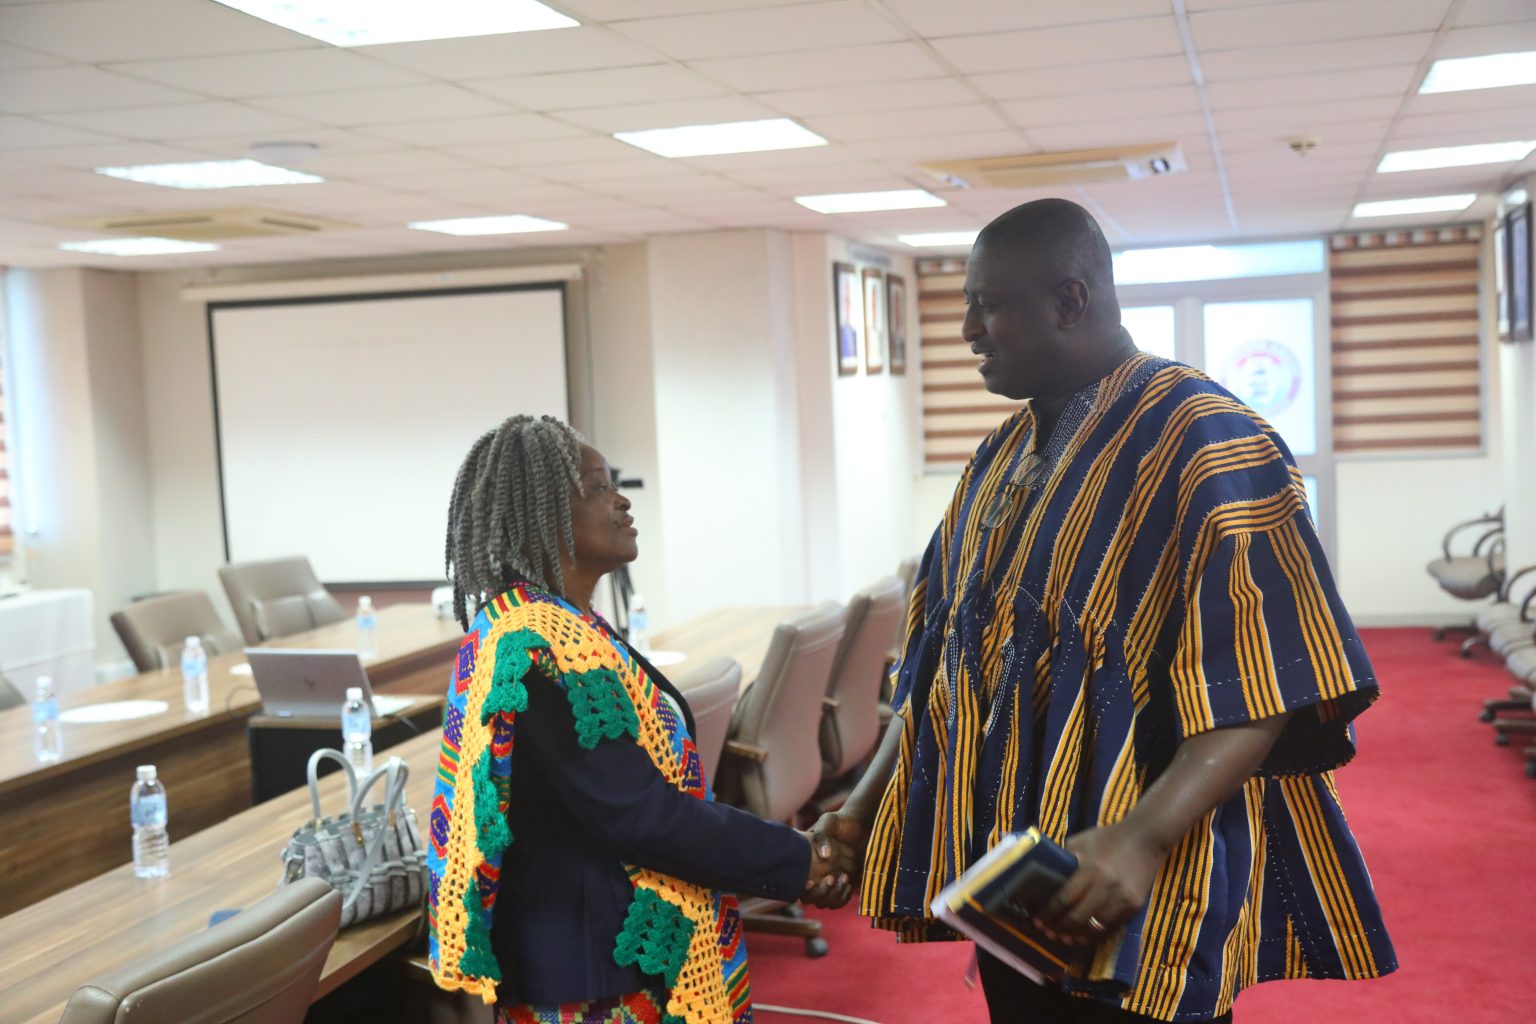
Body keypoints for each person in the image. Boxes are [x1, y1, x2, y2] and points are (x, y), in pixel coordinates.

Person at [808, 199, 1396, 1022]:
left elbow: (1267, 680)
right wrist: (862, 803)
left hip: (1140, 876)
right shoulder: (1000, 454)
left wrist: (1140, 838)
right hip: (1014, 879)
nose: (968, 330)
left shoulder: (1205, 439)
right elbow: (943, 663)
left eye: (987, 305)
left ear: (1070, 301)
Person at [426, 415, 852, 1024]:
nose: (622, 499)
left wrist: (794, 857)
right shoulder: (539, 647)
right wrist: (801, 859)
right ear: (544, 514)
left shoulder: (566, 627)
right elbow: (643, 816)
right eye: (598, 487)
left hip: (604, 953)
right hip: (593, 977)